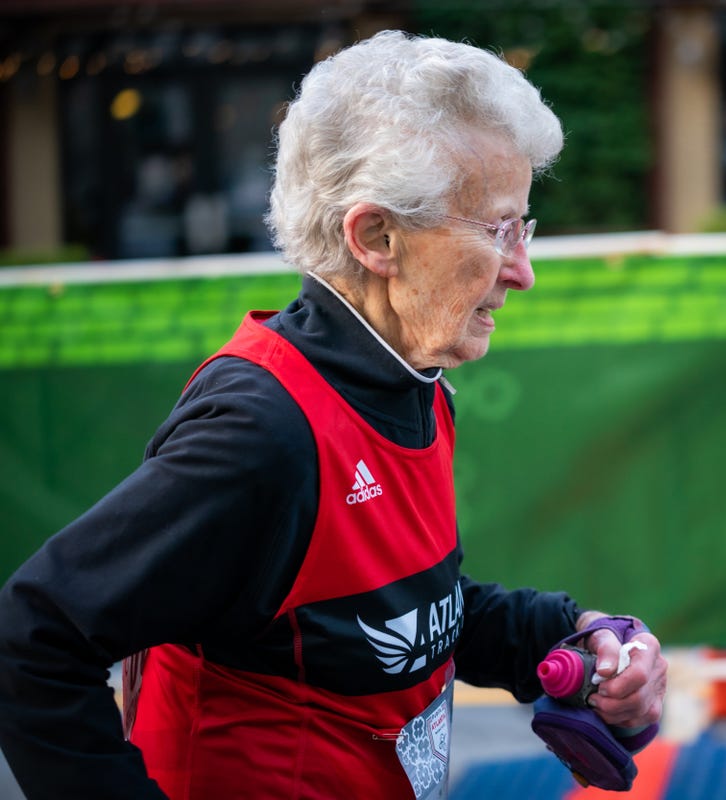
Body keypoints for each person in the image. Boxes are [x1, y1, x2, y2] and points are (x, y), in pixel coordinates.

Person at [0, 31, 667, 800]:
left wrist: (569, 638)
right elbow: (35, 636)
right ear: (377, 237)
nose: (523, 270)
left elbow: (393, 618)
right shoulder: (262, 431)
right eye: (498, 228)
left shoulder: (408, 377)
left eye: (525, 227)